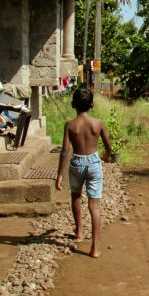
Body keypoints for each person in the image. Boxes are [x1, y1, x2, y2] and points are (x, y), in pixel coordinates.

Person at [55, 87, 114, 258]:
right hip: (94, 163)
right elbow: (108, 146)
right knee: (94, 205)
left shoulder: (70, 125)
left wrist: (59, 174)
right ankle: (95, 248)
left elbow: (65, 151)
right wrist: (107, 155)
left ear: (73, 104)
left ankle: (79, 231)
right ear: (92, 105)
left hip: (77, 163)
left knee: (75, 196)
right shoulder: (98, 123)